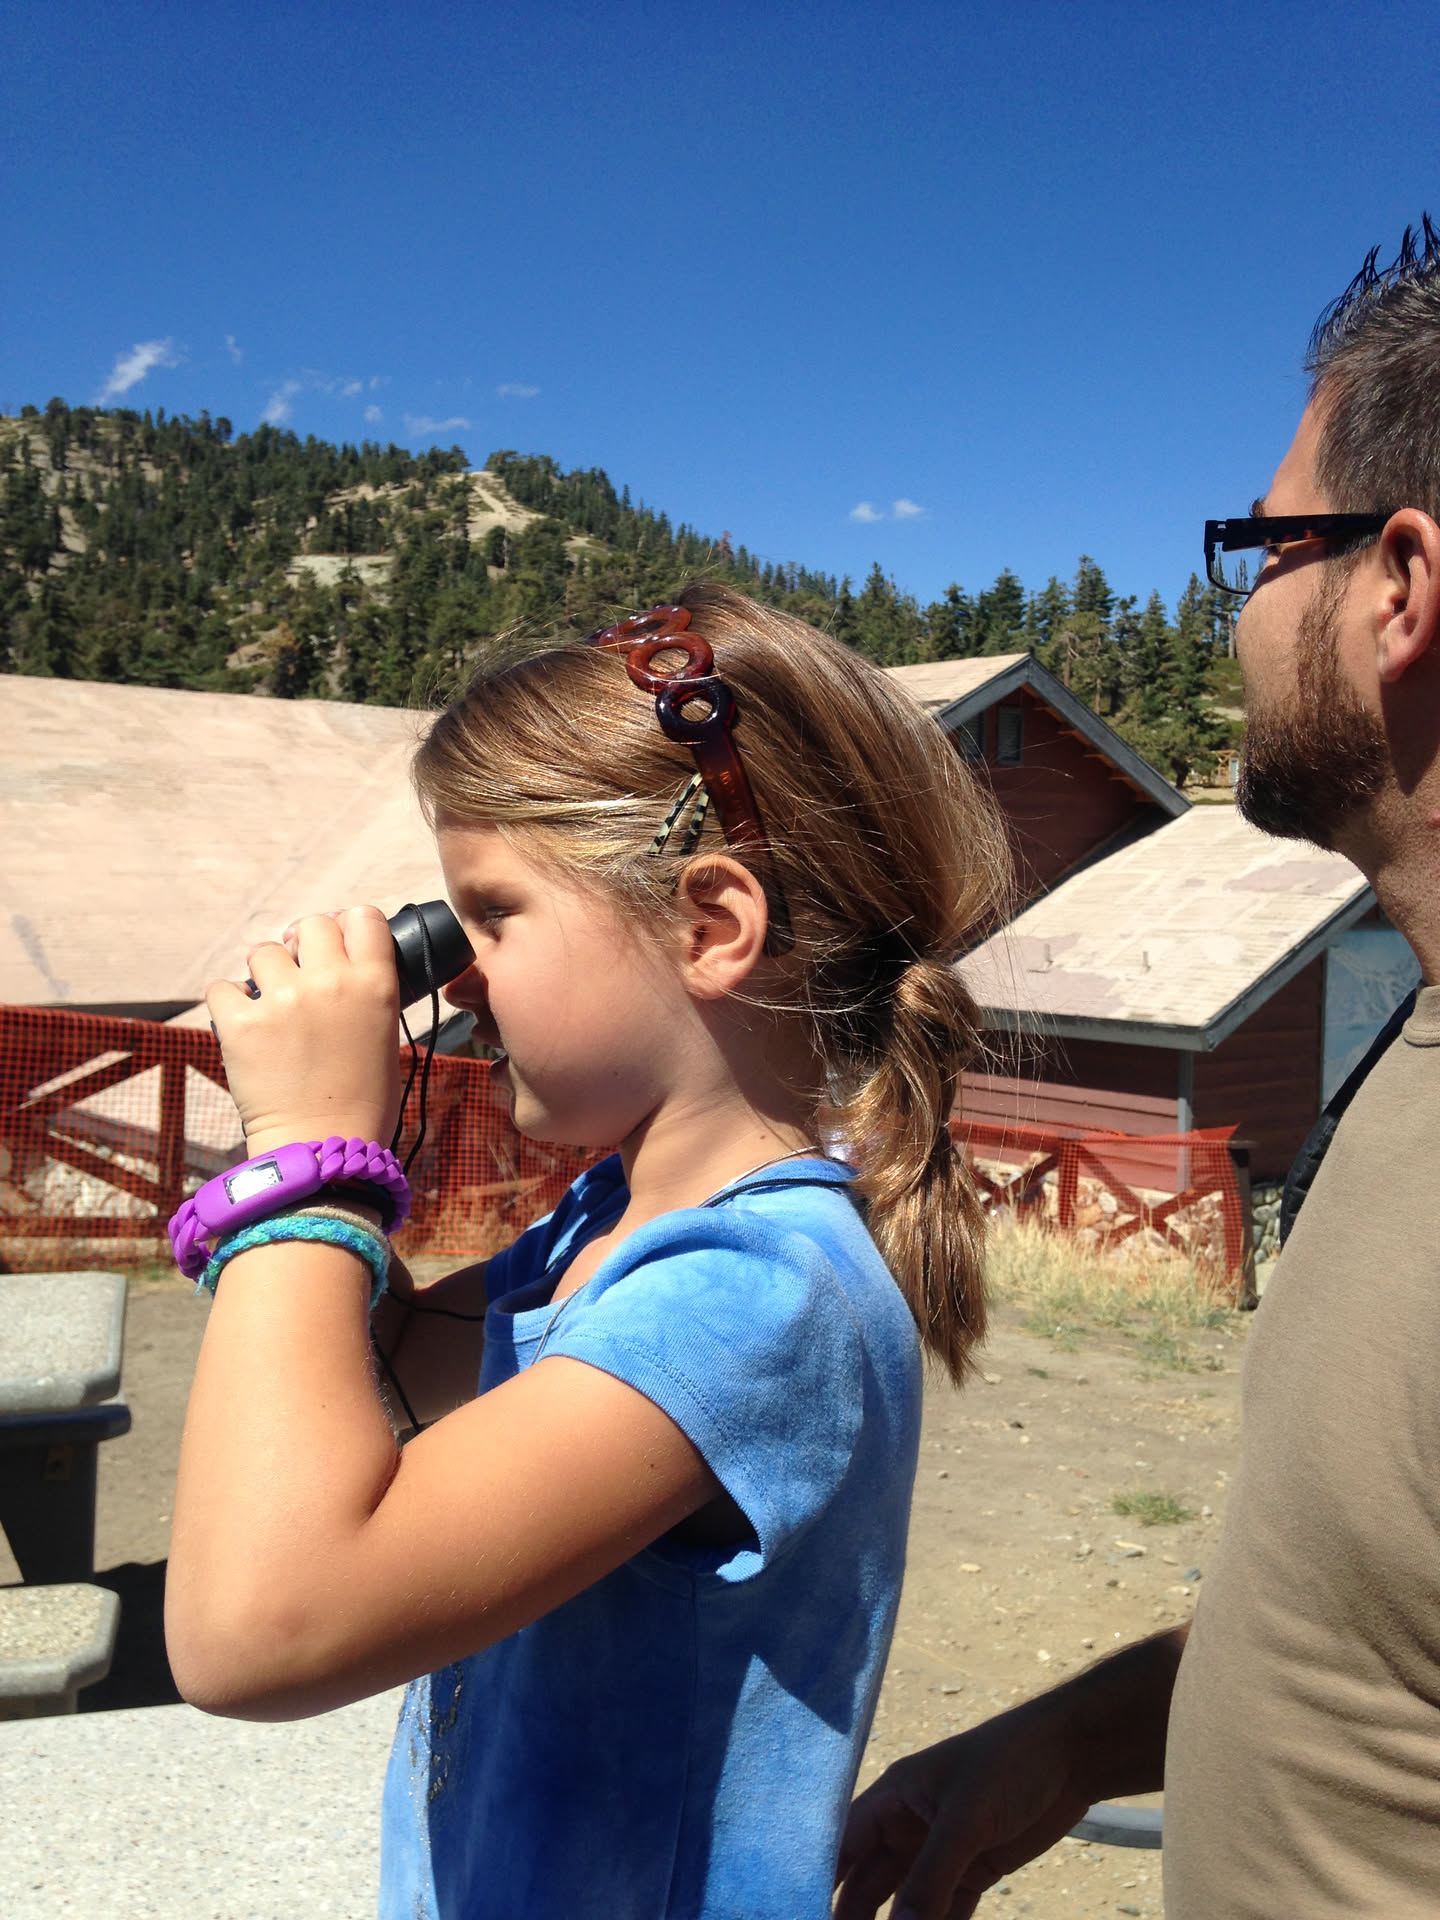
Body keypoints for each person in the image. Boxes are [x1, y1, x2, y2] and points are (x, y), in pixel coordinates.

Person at [163, 582, 1010, 1919]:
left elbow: (255, 1630)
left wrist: (305, 1162)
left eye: (491, 916)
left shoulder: (757, 1298)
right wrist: (319, 1149)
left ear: (710, 925)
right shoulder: (605, 1229)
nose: (458, 978)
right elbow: (368, 1390)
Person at [834, 217, 1440, 1920]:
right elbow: (1362, 1640)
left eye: (1267, 549)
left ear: (1400, 588)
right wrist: (1069, 1743)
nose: (1242, 617)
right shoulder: (1408, 1057)